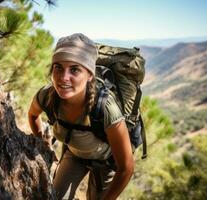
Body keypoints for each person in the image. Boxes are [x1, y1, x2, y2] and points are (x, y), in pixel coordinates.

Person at [28, 33, 134, 200]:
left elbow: (126, 167)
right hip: (75, 155)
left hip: (106, 162)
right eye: (58, 67)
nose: (64, 78)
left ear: (90, 75)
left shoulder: (105, 108)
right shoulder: (47, 96)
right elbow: (33, 115)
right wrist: (42, 143)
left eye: (75, 69)